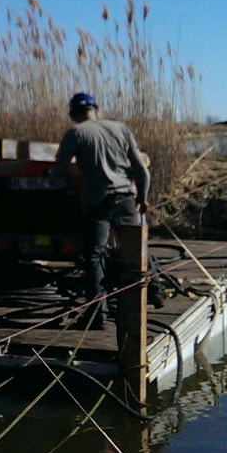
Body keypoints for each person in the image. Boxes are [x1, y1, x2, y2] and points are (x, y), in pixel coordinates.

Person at [46, 92, 158, 329]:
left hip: (99, 203)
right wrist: (143, 197)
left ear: (73, 114)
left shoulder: (75, 133)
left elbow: (59, 171)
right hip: (126, 198)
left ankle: (98, 314)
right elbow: (142, 170)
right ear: (95, 109)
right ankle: (156, 291)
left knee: (94, 256)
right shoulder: (121, 129)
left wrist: (50, 178)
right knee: (136, 245)